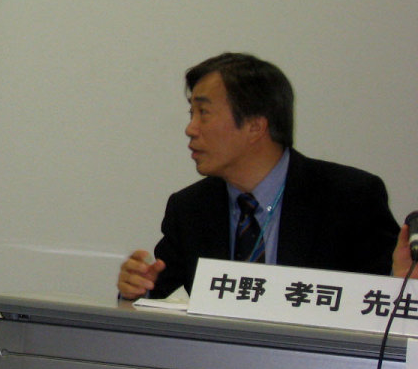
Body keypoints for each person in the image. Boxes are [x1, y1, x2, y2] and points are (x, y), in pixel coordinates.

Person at [118, 52, 397, 300]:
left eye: (203, 113)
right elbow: (153, 297)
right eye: (192, 113)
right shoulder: (191, 209)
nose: (190, 129)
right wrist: (137, 288)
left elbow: (386, 301)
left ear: (255, 126)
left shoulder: (350, 198)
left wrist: (404, 281)